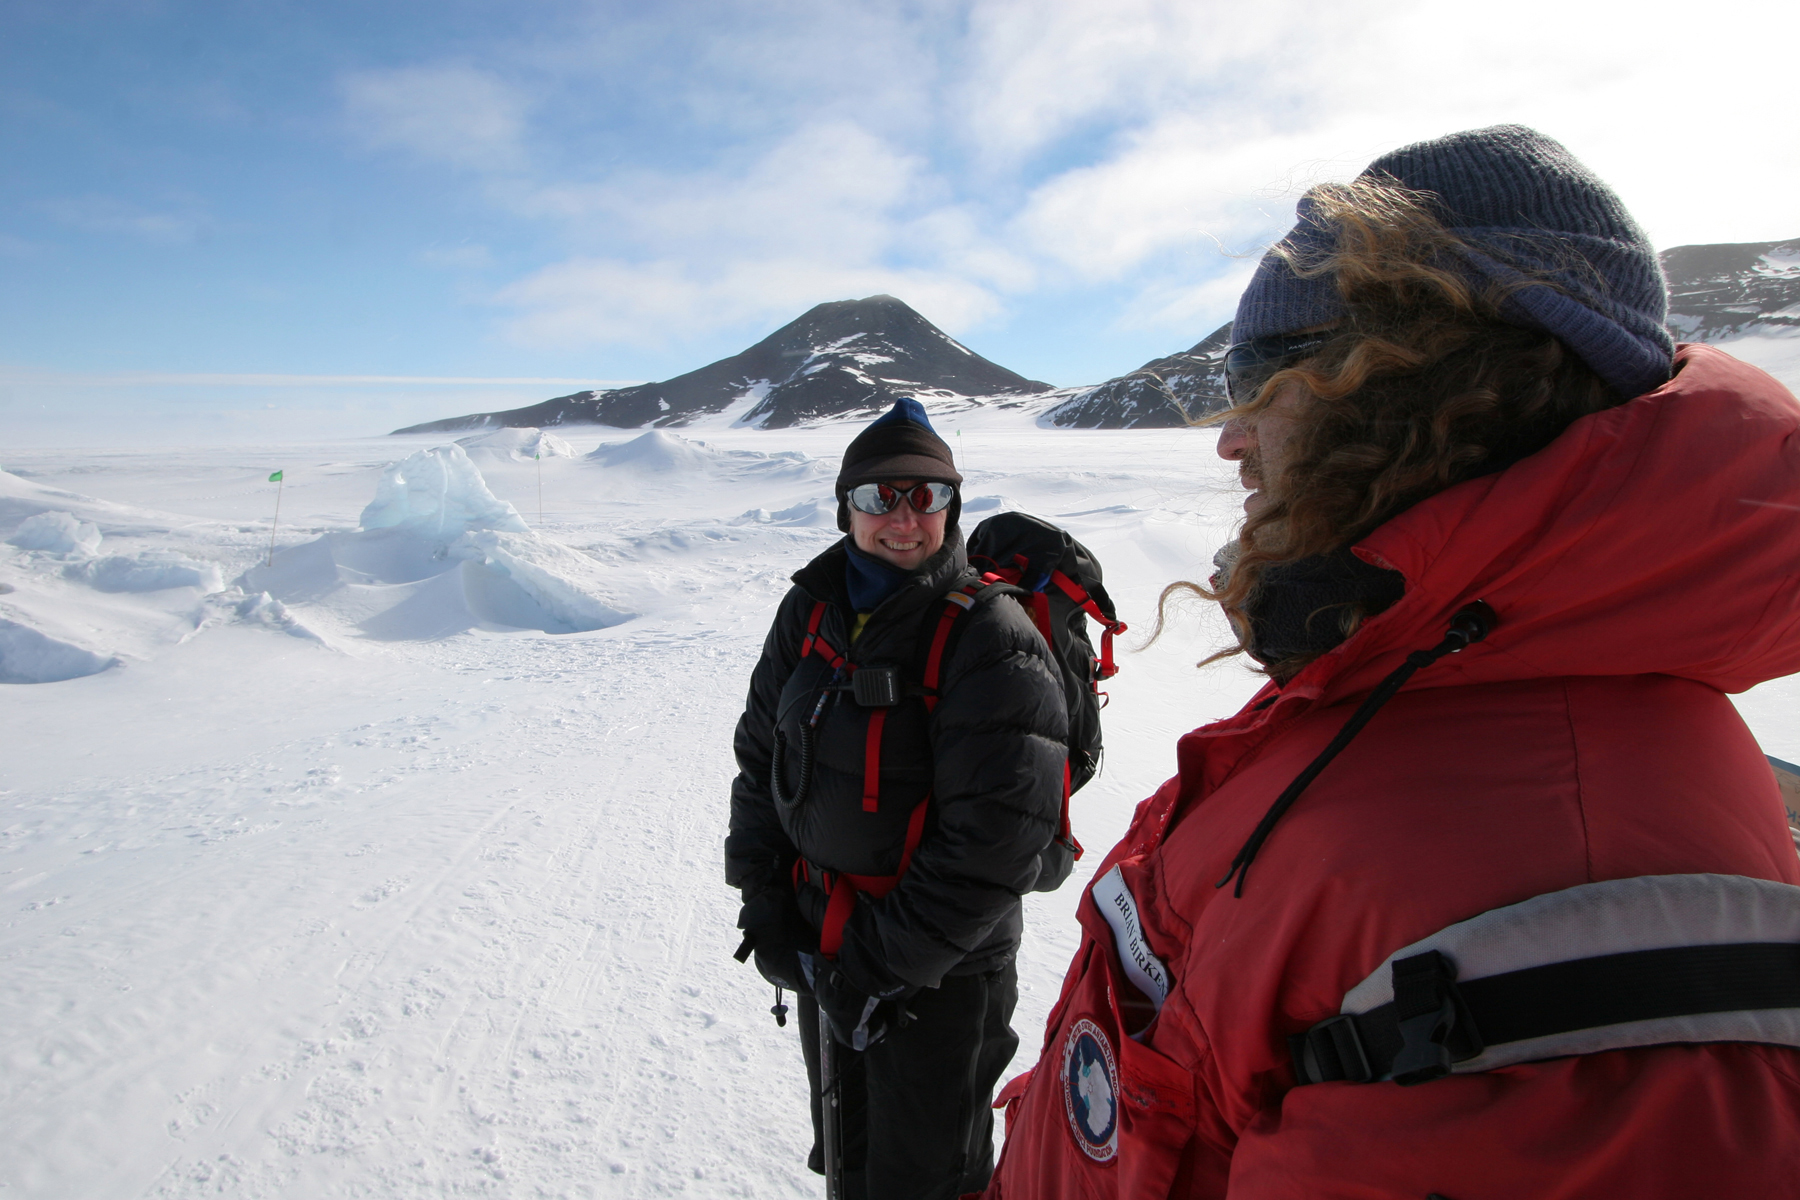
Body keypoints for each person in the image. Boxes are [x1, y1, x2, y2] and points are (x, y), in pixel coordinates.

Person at [984, 125, 1800, 1198]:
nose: (1230, 440)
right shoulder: (1408, 681)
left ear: (1423, 386)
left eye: (1262, 375)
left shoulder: (1576, 891)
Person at [727, 397, 1068, 1200]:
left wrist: (880, 968)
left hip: (939, 974)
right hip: (830, 948)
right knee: (849, 1151)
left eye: (929, 496)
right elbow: (759, 758)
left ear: (953, 506)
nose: (905, 519)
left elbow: (997, 840)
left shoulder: (991, 633)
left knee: (927, 1177)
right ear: (846, 507)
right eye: (882, 497)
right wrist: (764, 896)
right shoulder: (810, 608)